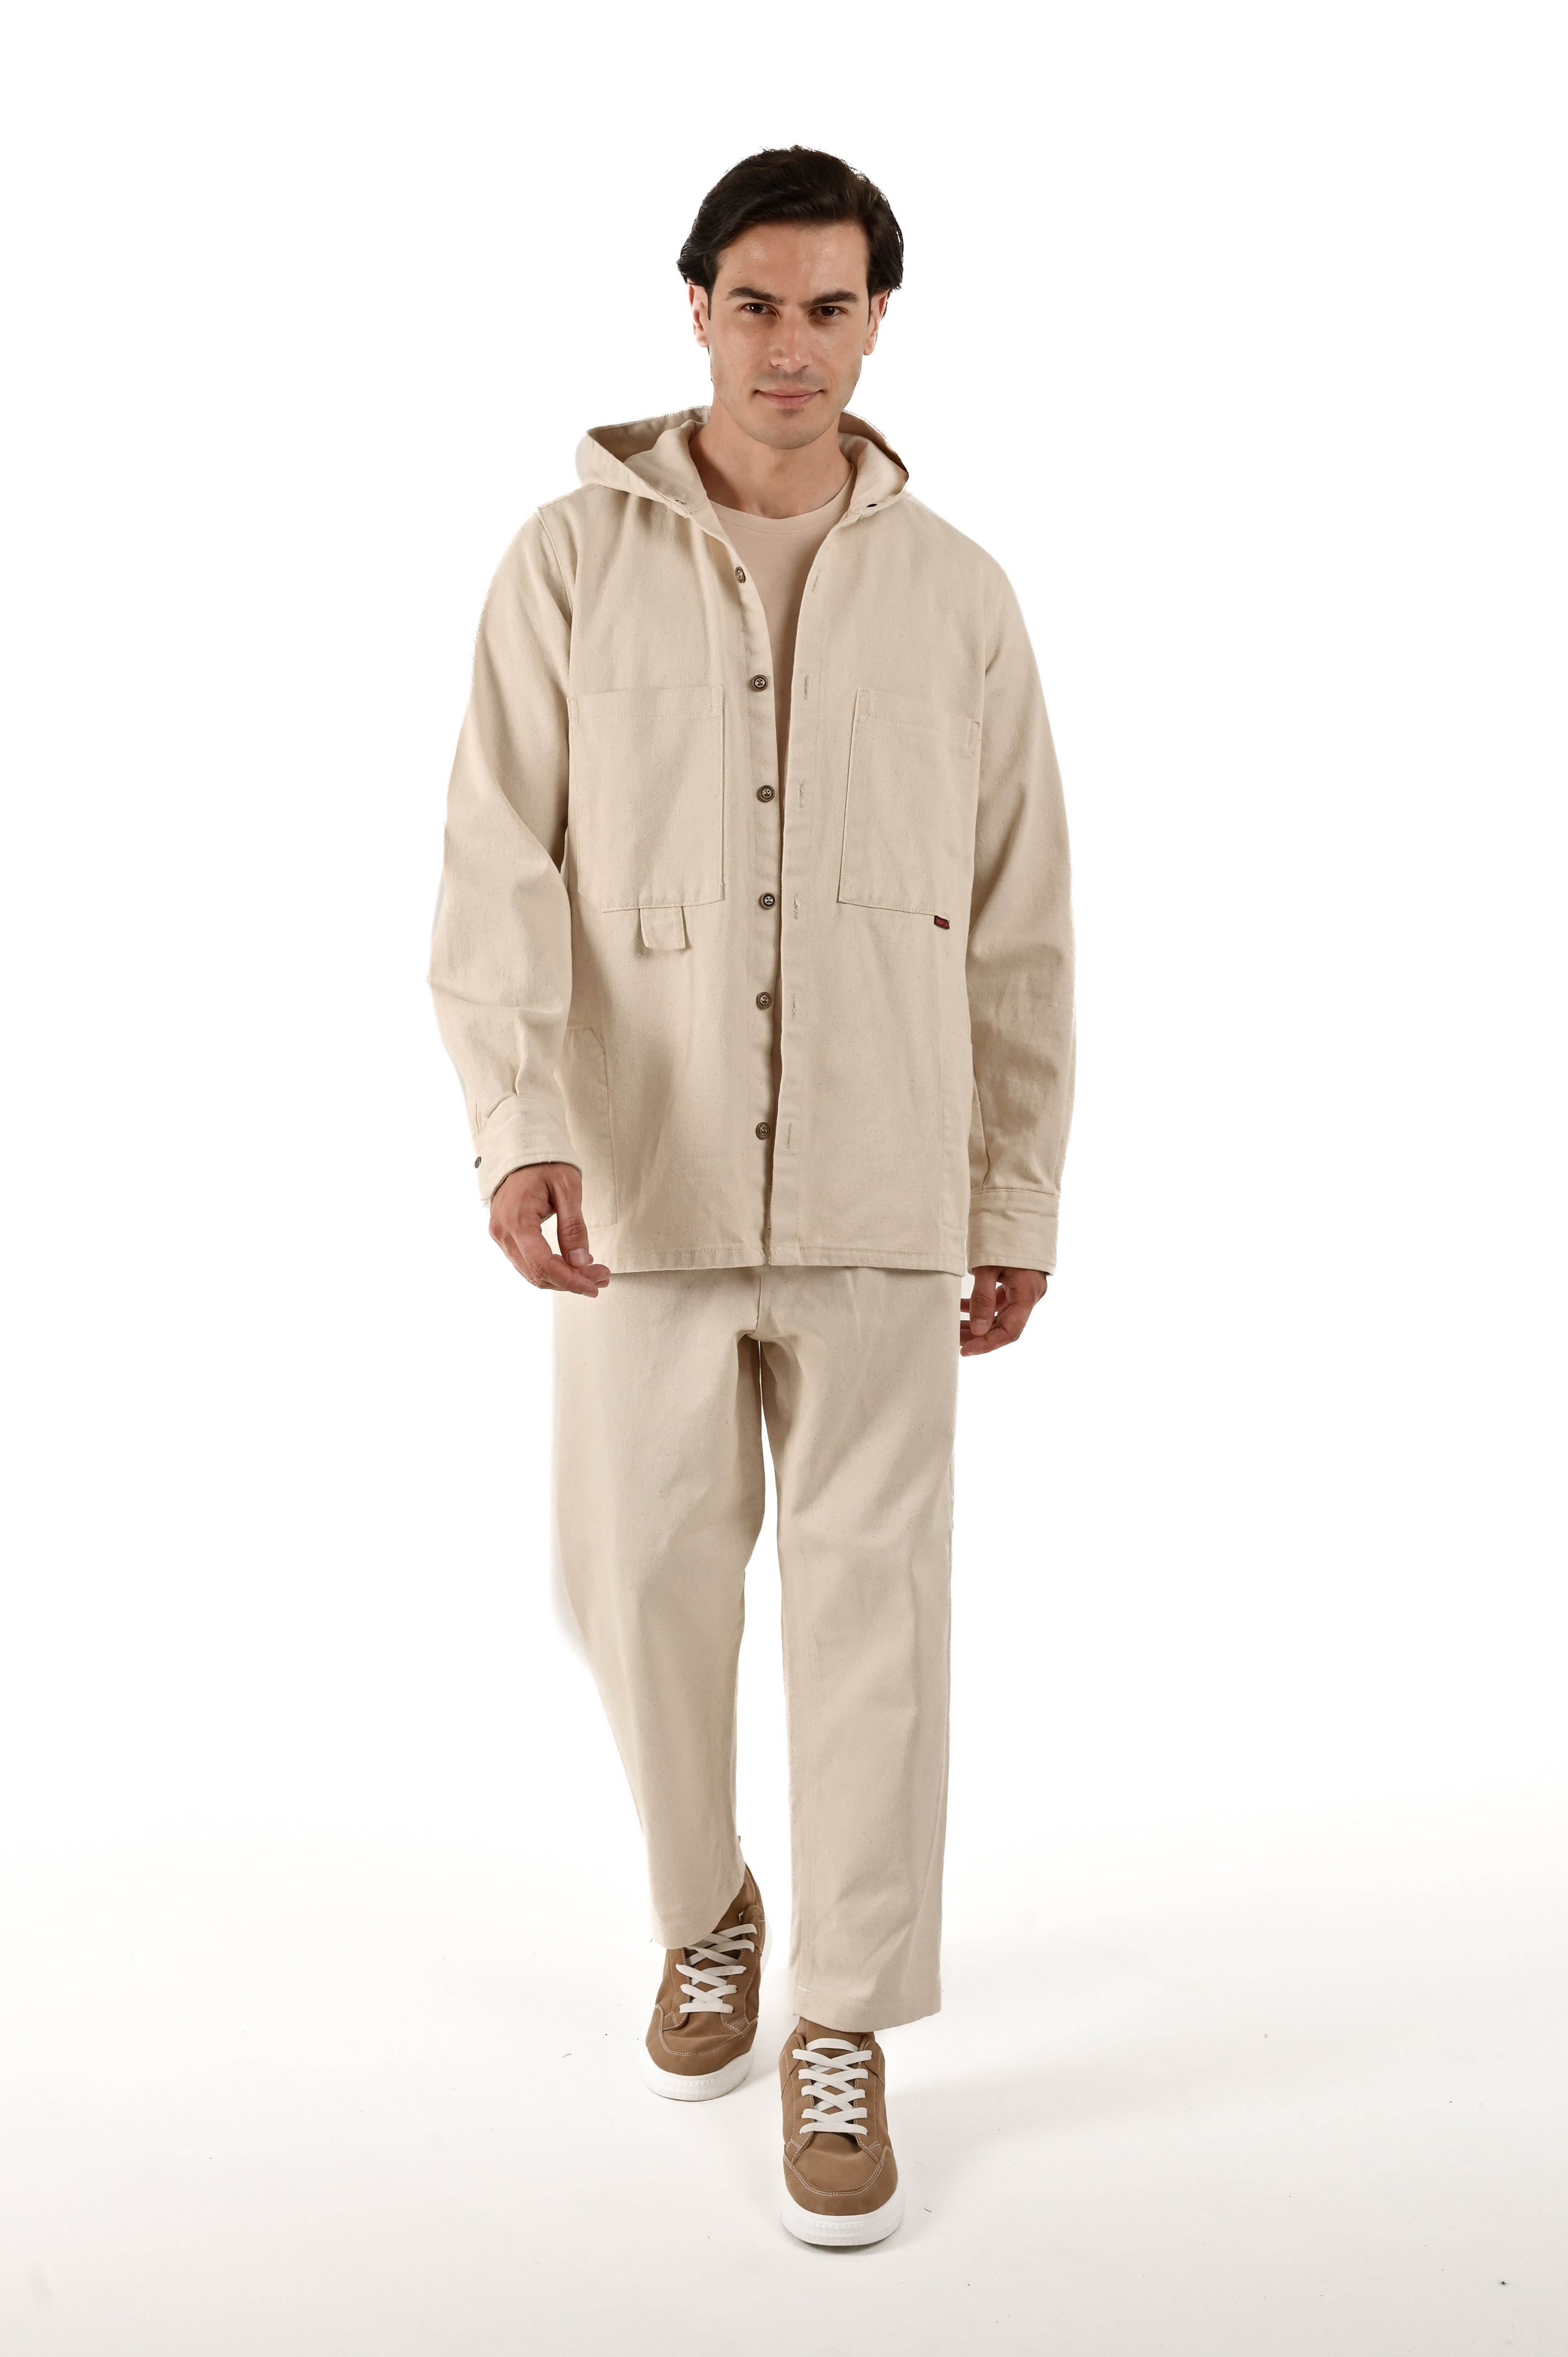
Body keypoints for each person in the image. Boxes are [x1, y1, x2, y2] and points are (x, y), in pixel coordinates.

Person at [429, 146, 1074, 2247]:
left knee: (876, 1612)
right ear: (696, 308)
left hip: (888, 1185)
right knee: (634, 1582)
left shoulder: (960, 595)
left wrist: (1010, 1187)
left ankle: (845, 2016)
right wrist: (520, 1118)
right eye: (758, 305)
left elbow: (1019, 922)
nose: (792, 346)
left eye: (832, 308)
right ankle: (707, 1902)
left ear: (879, 323)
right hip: (647, 1174)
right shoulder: (565, 565)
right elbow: (497, 860)